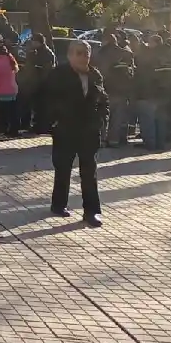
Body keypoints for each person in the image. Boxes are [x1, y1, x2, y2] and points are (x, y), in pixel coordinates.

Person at [48, 40, 108, 227]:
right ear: (70, 55)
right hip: (65, 130)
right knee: (63, 168)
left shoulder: (95, 75)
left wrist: (101, 119)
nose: (84, 57)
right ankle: (59, 204)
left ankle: (92, 212)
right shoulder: (58, 74)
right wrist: (53, 122)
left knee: (89, 172)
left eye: (87, 53)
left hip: (89, 131)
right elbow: (46, 99)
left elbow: (103, 100)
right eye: (80, 53)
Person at [100, 33, 135, 147]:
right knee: (117, 117)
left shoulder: (101, 53)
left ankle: (101, 140)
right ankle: (114, 140)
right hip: (122, 90)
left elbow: (100, 72)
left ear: (105, 41)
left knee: (103, 116)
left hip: (106, 89)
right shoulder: (127, 54)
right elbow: (132, 73)